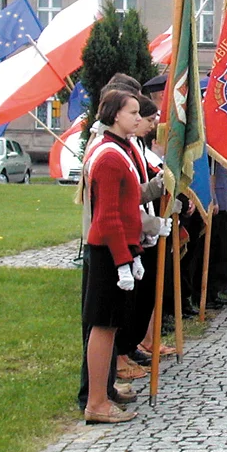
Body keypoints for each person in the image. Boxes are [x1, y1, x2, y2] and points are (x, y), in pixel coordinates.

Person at [82, 89, 145, 424]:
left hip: (118, 250)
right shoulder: (109, 156)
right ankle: (95, 402)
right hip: (108, 251)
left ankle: (101, 395)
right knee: (103, 326)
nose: (138, 118)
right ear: (115, 115)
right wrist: (123, 259)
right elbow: (107, 217)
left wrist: (133, 252)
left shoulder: (122, 150)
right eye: (132, 112)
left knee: (110, 326)